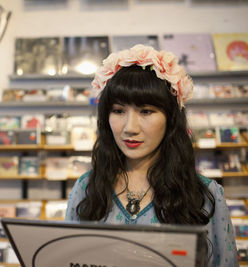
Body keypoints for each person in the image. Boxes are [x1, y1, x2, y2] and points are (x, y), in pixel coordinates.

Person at [65, 44, 238, 266]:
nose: (130, 127)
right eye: (118, 111)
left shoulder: (205, 194)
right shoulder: (85, 188)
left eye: (146, 111)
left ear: (171, 119)